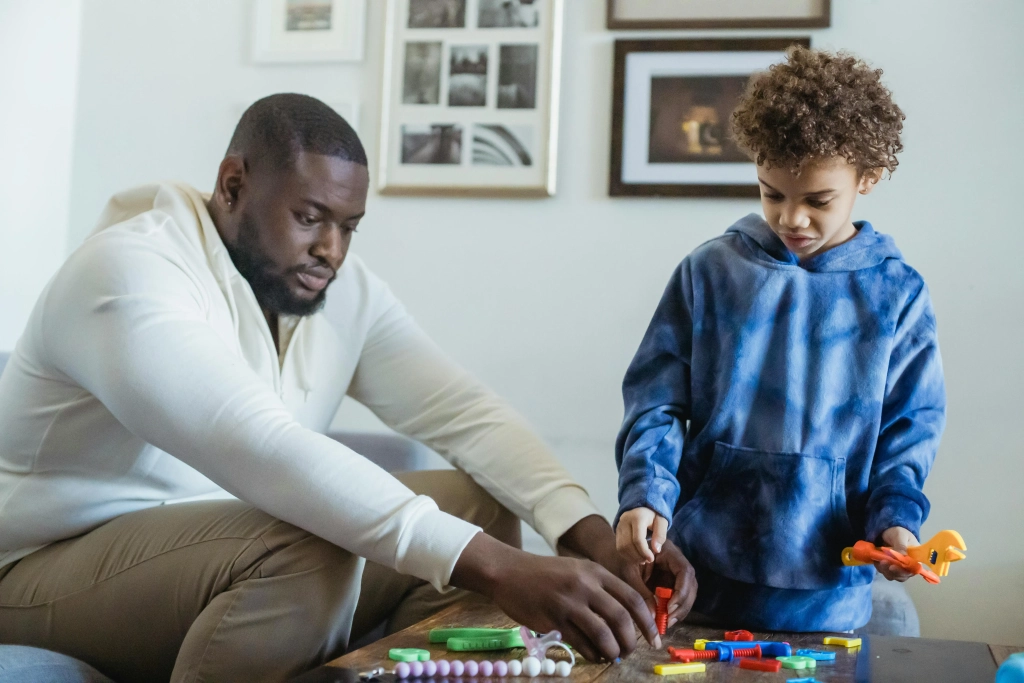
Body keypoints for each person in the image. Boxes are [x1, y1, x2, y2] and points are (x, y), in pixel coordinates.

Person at [0, 94, 660, 683]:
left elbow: (466, 413)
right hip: (39, 571)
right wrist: (500, 567)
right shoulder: (127, 272)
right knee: (309, 543)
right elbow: (260, 444)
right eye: (310, 217)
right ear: (233, 185)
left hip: (213, 552)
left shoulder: (334, 290)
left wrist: (590, 535)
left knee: (473, 505)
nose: (332, 250)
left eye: (349, 226)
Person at [613, 46, 946, 632]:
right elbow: (657, 401)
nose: (792, 218)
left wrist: (896, 521)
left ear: (867, 178)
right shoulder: (710, 272)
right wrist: (644, 493)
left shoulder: (897, 292)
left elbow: (909, 427)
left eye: (818, 200)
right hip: (698, 579)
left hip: (829, 591)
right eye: (772, 193)